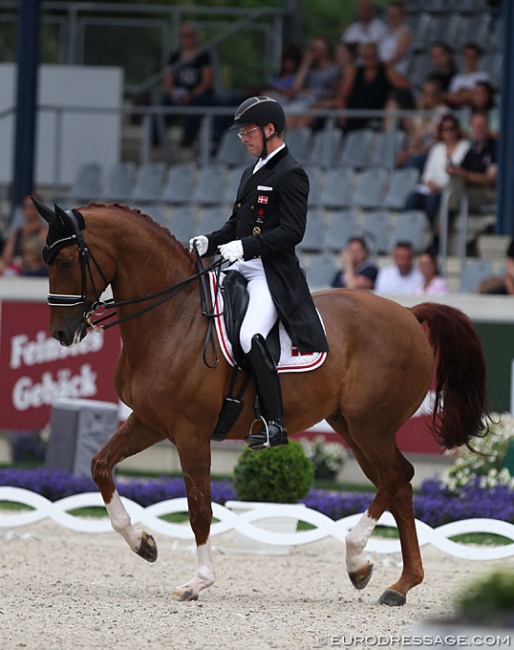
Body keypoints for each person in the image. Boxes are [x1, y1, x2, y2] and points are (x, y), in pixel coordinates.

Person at [189, 96, 329, 451]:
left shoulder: (291, 173)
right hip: (238, 267)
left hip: (270, 273)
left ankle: (274, 423)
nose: (244, 138)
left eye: (248, 131)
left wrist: (246, 247)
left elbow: (292, 231)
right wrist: (211, 240)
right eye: (241, 133)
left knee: (251, 334)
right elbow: (236, 224)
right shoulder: (251, 171)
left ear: (270, 130)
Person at [404, 114, 470, 245]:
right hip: (432, 188)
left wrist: (440, 187)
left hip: (450, 189)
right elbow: (427, 174)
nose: (448, 132)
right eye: (445, 129)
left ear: (457, 130)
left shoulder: (466, 147)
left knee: (432, 202)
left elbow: (461, 173)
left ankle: (436, 237)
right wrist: (430, 183)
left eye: (451, 128)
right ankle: (409, 238)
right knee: (412, 200)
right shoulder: (437, 149)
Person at [159, 22, 216, 147]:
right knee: (164, 104)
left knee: (196, 107)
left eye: (191, 35)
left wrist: (190, 95)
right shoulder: (174, 57)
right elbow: (167, 81)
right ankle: (156, 140)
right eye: (185, 35)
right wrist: (174, 92)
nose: (188, 38)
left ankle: (186, 141)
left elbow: (207, 81)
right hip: (178, 93)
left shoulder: (203, 56)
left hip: (197, 94)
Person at [337, 41, 412, 132]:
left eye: (372, 56)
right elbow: (342, 97)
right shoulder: (354, 72)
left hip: (378, 117)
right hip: (356, 116)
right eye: (367, 56)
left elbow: (405, 87)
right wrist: (342, 115)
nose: (370, 59)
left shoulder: (387, 71)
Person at [446, 110, 497, 216]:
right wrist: (453, 170)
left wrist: (465, 174)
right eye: (476, 125)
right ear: (471, 128)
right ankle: (445, 223)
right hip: (468, 188)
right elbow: (462, 168)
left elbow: (490, 180)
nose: (479, 129)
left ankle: (445, 224)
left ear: (488, 126)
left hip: (486, 192)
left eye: (481, 125)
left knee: (450, 195)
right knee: (450, 187)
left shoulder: (495, 147)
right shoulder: (472, 148)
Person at [285, 35, 341, 130]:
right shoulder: (311, 70)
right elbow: (296, 87)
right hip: (303, 102)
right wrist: (305, 63)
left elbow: (332, 93)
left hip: (318, 104)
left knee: (294, 121)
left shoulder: (335, 70)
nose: (315, 51)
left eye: (319, 47)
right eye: (313, 48)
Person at [394, 78, 449, 173]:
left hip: (434, 152)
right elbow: (416, 140)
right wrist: (408, 152)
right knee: (398, 158)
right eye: (426, 92)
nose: (429, 95)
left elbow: (435, 141)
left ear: (438, 94)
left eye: (433, 92)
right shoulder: (420, 114)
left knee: (412, 161)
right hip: (420, 152)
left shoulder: (443, 112)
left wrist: (413, 153)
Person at [0, 194, 48, 276]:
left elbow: (42, 258)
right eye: (25, 206)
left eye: (32, 206)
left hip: (35, 272)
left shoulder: (44, 231)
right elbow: (7, 256)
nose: (28, 209)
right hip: (16, 270)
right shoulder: (17, 232)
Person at [445, 42, 490, 110]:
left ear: (477, 58)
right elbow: (449, 97)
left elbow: (479, 97)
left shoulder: (483, 76)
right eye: (467, 56)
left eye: (472, 56)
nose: (469, 59)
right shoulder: (457, 78)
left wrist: (460, 95)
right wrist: (466, 95)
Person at [378, 1, 413, 77]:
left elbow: (398, 55)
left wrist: (380, 67)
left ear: (402, 15)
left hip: (395, 72)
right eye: (390, 14)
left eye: (395, 14)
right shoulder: (385, 33)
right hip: (382, 70)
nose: (392, 17)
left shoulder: (404, 32)